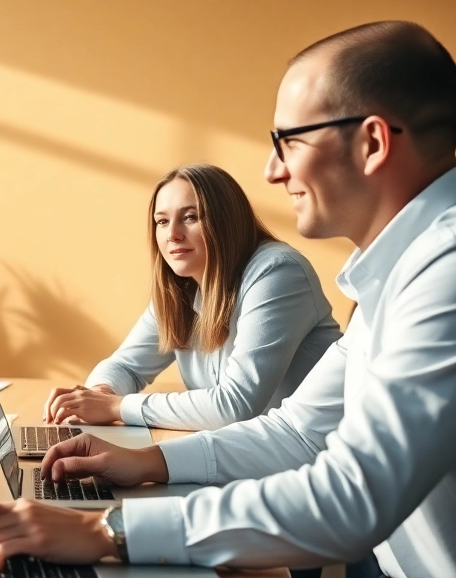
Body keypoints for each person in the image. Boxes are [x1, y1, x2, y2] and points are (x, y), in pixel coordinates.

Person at [0, 22, 456, 578]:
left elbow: (349, 498)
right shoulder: (407, 271)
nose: (272, 169)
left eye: (287, 140)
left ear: (373, 142)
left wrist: (107, 532)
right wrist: (144, 463)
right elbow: (300, 431)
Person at [42, 163, 341, 431]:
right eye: (161, 221)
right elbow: (125, 366)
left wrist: (115, 407)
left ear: (226, 222)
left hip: (317, 463)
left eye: (190, 217)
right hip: (245, 456)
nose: (172, 234)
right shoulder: (181, 289)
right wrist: (100, 395)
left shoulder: (278, 273)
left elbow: (235, 406)